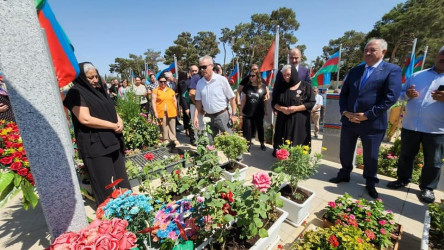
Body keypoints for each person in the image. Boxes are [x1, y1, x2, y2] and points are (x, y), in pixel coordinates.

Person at [329, 38, 402, 199]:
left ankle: (370, 182)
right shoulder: (355, 71)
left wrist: (367, 115)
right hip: (350, 120)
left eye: (372, 50)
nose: (367, 53)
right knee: (346, 150)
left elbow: (390, 98)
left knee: (371, 155)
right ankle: (344, 173)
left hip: (372, 123)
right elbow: (344, 94)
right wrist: (345, 112)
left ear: (383, 52)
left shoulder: (392, 70)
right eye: (366, 50)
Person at [63, 62, 130, 205]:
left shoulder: (100, 89)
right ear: (81, 78)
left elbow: (111, 108)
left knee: (122, 181)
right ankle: (112, 218)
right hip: (96, 145)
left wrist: (120, 121)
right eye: (90, 78)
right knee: (106, 184)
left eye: (96, 76)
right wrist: (112, 125)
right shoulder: (76, 92)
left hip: (112, 141)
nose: (95, 80)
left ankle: (130, 210)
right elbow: (85, 118)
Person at [387, 46, 444, 203]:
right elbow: (399, 95)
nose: (443, 57)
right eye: (442, 53)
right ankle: (403, 179)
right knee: (406, 155)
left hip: (436, 129)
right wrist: (407, 94)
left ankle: (427, 188)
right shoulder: (417, 75)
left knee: (433, 161)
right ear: (437, 55)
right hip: (411, 125)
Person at [271, 65, 315, 156]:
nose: (286, 77)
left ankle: (296, 161)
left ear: (294, 73)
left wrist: (296, 108)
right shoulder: (280, 87)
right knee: (283, 141)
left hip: (299, 122)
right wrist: (282, 109)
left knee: (298, 145)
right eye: (284, 75)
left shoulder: (306, 86)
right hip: (283, 121)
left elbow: (311, 103)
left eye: (288, 74)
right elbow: (273, 102)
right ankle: (282, 157)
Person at [193, 55, 237, 141]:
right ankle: (214, 154)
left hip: (222, 116)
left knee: (230, 141)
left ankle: (237, 155)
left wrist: (234, 115)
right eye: (200, 67)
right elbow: (198, 102)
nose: (202, 69)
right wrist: (195, 117)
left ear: (212, 66)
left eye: (204, 67)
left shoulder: (221, 80)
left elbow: (232, 98)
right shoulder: (200, 83)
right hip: (208, 117)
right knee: (210, 143)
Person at [241, 70, 267, 151]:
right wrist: (241, 111)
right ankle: (248, 144)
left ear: (257, 76)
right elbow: (243, 100)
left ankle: (262, 143)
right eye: (250, 76)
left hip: (259, 112)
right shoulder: (247, 87)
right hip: (248, 111)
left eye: (253, 76)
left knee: (260, 128)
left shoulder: (263, 86)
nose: (251, 77)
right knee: (247, 128)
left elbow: (265, 99)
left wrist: (265, 109)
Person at [152, 75, 179, 145]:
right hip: (161, 111)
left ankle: (173, 139)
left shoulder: (170, 90)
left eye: (164, 81)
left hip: (171, 110)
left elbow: (175, 100)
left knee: (172, 125)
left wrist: (177, 110)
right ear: (158, 82)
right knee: (164, 126)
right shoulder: (155, 91)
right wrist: (155, 112)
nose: (163, 83)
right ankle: (166, 138)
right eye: (161, 82)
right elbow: (153, 102)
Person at [176, 70, 195, 145]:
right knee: (188, 118)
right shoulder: (185, 82)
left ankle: (186, 130)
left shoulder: (180, 82)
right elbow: (184, 94)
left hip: (182, 102)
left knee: (186, 117)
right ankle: (190, 134)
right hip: (186, 102)